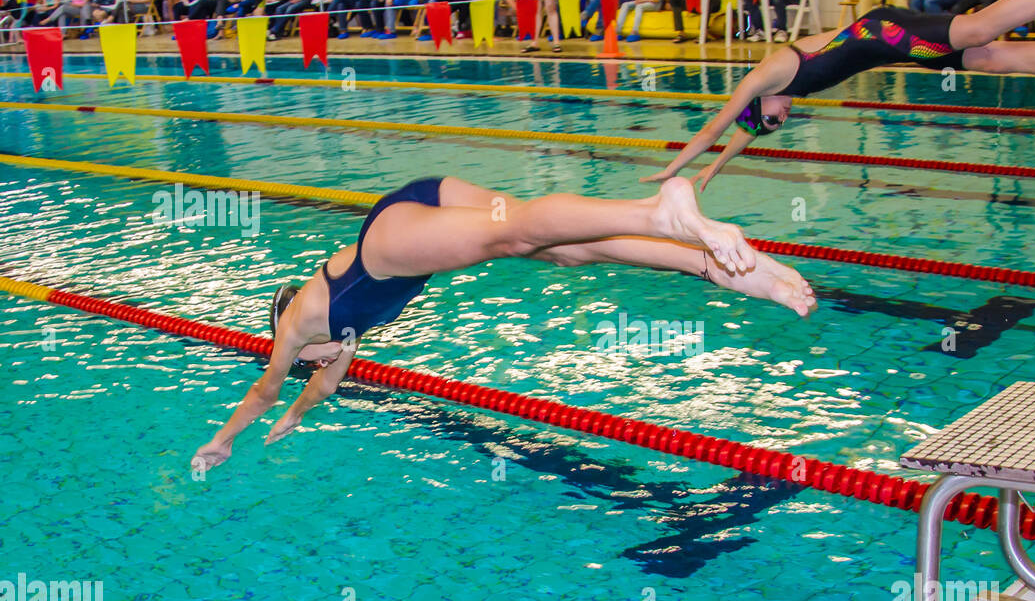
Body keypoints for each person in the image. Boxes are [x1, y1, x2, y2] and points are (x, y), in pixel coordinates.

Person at [189, 176, 814, 468]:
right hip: (425, 202)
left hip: (390, 241)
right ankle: (718, 266)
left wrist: (226, 439)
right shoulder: (337, 345)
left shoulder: (298, 326)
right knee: (567, 248)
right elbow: (315, 390)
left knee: (514, 235)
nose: (317, 372)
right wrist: (294, 421)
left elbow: (265, 388)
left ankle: (661, 212)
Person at [644, 0, 1035, 190]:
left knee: (980, 32)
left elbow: (716, 129)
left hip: (887, 32)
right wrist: (710, 174)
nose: (785, 119)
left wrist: (675, 168)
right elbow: (740, 139)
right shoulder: (777, 98)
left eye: (774, 122)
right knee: (995, 59)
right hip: (893, 49)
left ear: (762, 105)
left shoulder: (766, 76)